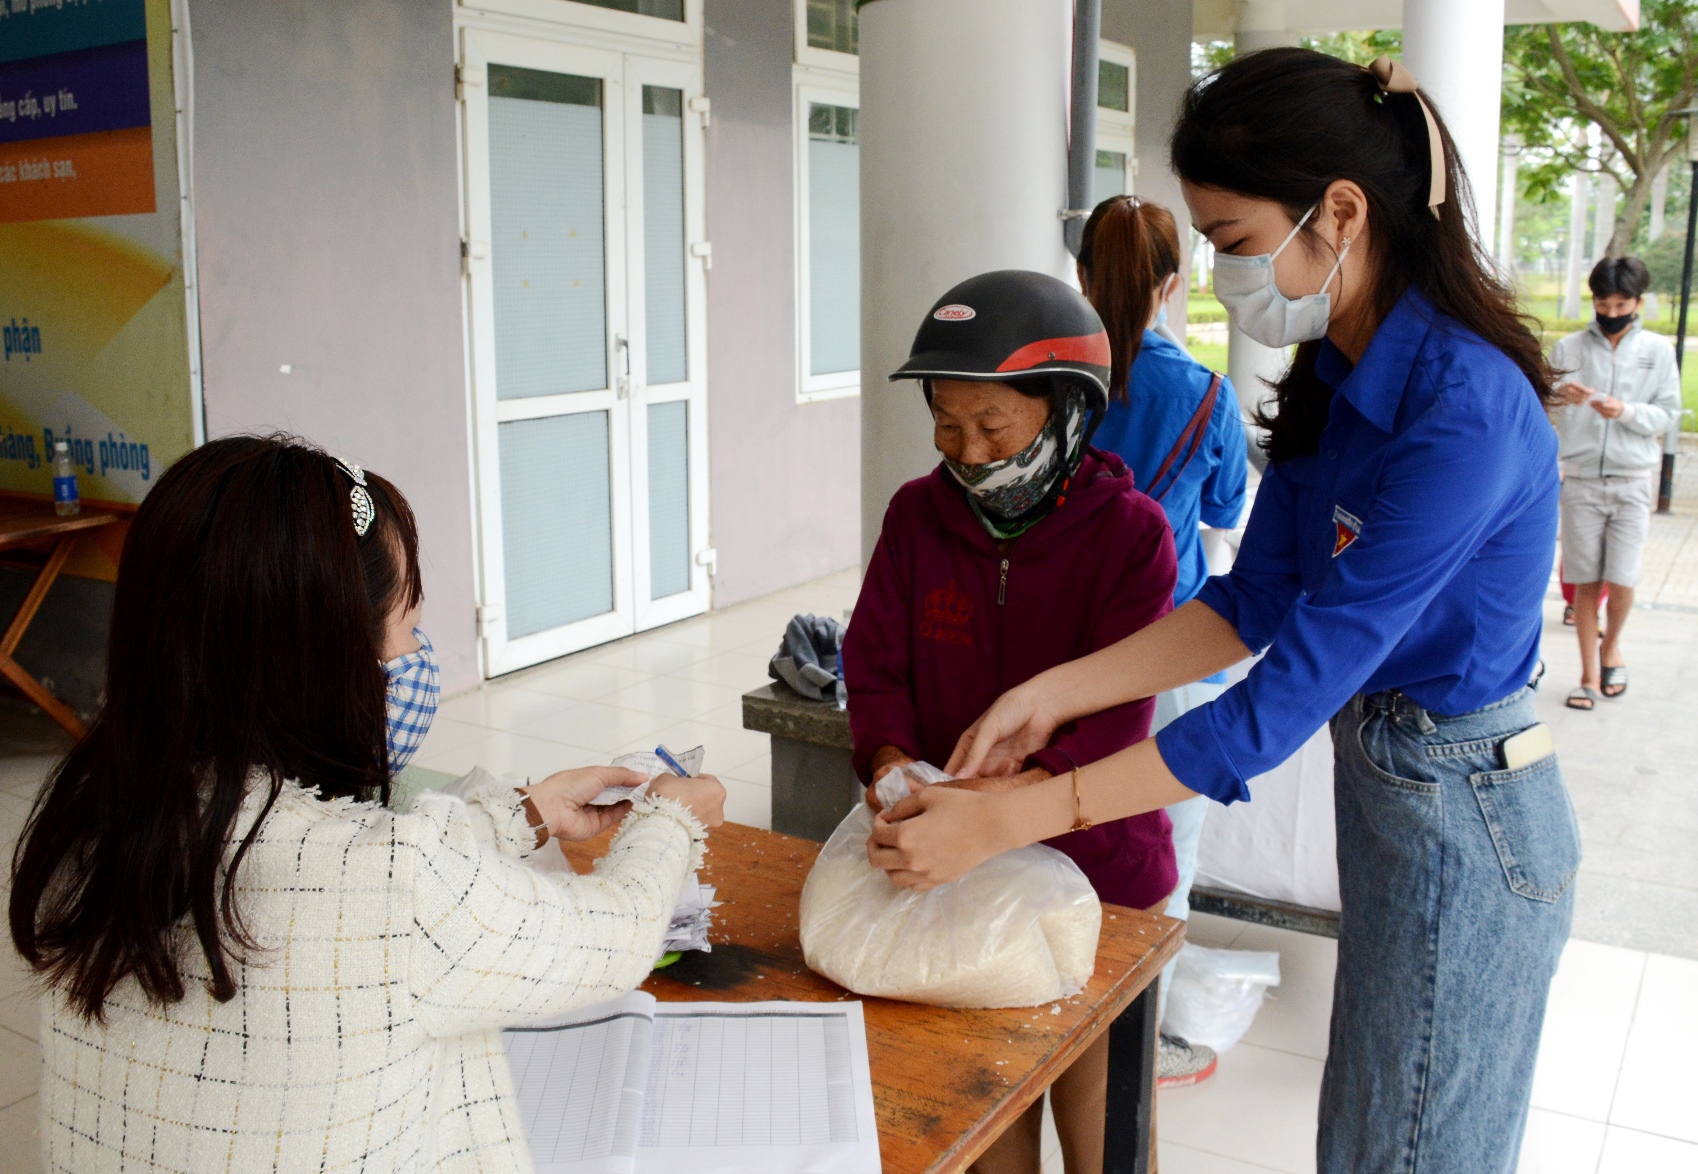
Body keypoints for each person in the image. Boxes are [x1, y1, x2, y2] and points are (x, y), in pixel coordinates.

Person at [865, 50, 1580, 1174]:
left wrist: (1017, 815)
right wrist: (1046, 693)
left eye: (1235, 241)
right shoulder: (1336, 380)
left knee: (1412, 1146)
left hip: (1469, 805)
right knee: (1368, 1129)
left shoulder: (1464, 411)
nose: (1216, 274)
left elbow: (1275, 703)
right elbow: (1247, 605)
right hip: (1396, 779)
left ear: (1339, 212)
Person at [8, 435, 726, 1172]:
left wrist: (524, 814)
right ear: (324, 660)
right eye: (408, 628)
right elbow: (613, 937)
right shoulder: (390, 884)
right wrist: (671, 820)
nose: (416, 657)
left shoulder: (92, 816)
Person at [843, 269, 1178, 1174]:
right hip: (954, 881)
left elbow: (1115, 725)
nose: (967, 449)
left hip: (1102, 882)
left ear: (1069, 411)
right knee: (987, 1128)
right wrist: (891, 767)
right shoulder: (918, 516)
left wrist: (1006, 807)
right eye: (947, 424)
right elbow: (871, 666)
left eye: (994, 426)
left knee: (1104, 1133)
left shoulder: (1132, 536)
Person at [1076, 194, 1248, 1088]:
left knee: (1057, 831)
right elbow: (1223, 513)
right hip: (1162, 657)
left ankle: (1053, 1009)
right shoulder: (1205, 396)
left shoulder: (1048, 384)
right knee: (1160, 858)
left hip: (1054, 653)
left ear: (1080, 277)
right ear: (1174, 285)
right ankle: (1137, 1051)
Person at [1551, 255, 1681, 710]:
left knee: (1622, 579)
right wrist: (1557, 394)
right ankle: (1587, 674)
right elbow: (1541, 403)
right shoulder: (1567, 349)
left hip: (1631, 479)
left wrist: (1622, 410)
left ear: (1638, 302)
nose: (1610, 312)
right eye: (1603, 302)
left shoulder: (1658, 352)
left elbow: (1668, 414)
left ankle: (1612, 648)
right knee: (1585, 580)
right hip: (1582, 479)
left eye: (1620, 303)